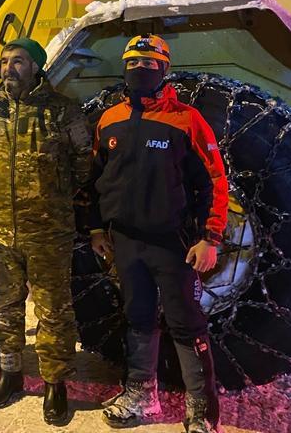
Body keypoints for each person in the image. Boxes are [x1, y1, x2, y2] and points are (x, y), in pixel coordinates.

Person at [88, 35, 229, 433]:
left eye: (150, 64)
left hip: (175, 244)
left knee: (186, 323)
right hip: (126, 242)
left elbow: (215, 181)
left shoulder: (187, 119)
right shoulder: (109, 119)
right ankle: (141, 397)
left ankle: (201, 412)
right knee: (138, 318)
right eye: (134, 62)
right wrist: (97, 227)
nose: (141, 70)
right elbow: (98, 178)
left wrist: (211, 239)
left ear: (165, 70)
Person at [0, 38, 92, 426]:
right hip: (0, 232)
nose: (9, 68)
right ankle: (10, 373)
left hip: (48, 233)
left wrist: (53, 199)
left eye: (19, 61)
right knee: (4, 308)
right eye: (5, 61)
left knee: (54, 311)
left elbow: (84, 165)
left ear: (37, 67)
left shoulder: (62, 111)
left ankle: (55, 383)